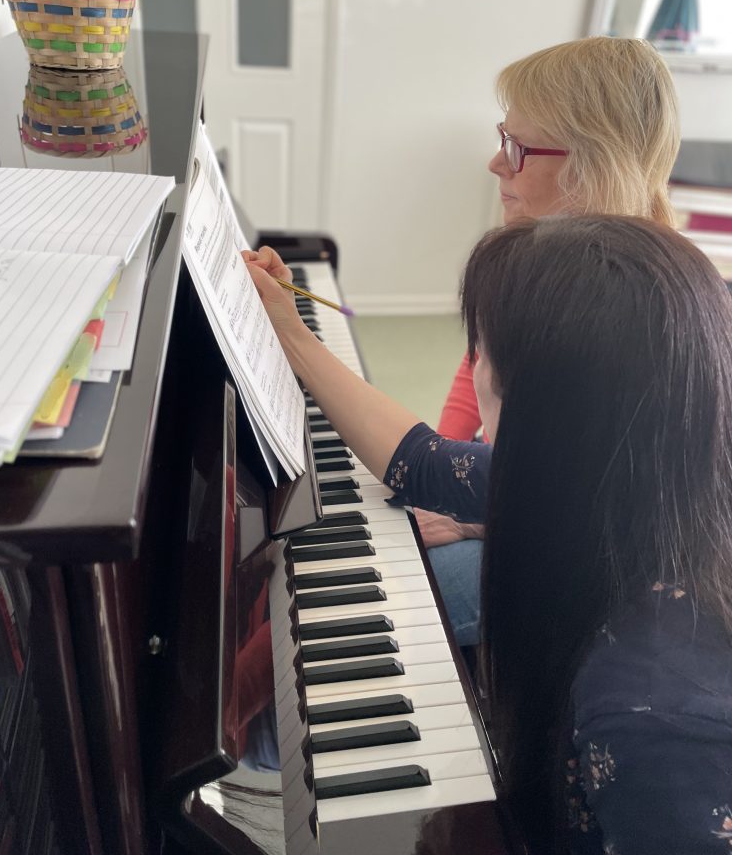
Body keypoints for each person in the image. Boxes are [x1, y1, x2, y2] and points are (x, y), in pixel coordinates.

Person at [243, 215, 732, 854]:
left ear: (541, 420)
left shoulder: (651, 713)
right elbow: (417, 460)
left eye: (484, 359)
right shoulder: (623, 471)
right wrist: (287, 330)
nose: (473, 374)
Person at [419, 35, 680, 650]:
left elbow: (630, 516)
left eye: (517, 147)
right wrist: (445, 463)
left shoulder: (638, 313)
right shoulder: (531, 256)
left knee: (404, 584)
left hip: (592, 564)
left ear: (595, 164)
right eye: (500, 136)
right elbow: (476, 361)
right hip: (512, 491)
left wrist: (478, 516)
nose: (495, 162)